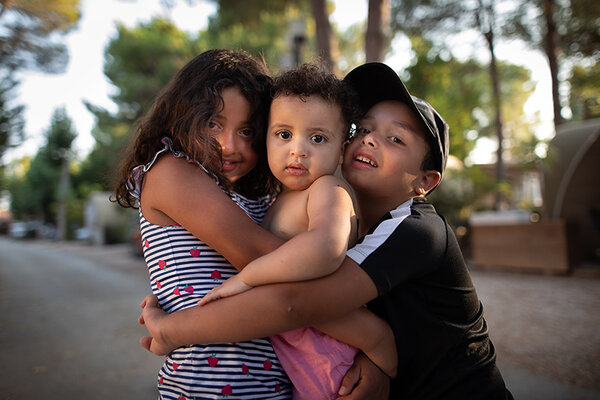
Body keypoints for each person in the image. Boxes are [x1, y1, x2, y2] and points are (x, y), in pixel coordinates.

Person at [137, 62, 512, 399]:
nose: (368, 139)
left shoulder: (418, 231)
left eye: (395, 138)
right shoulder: (336, 212)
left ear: (426, 181)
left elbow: (295, 302)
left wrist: (172, 330)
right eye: (363, 128)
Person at [198, 64, 397, 399]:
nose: (298, 149)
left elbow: (325, 248)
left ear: (342, 149)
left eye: (317, 138)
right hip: (299, 355)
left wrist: (248, 277)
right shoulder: (280, 198)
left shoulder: (328, 190)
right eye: (284, 134)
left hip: (329, 355)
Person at [114, 49, 293, 399]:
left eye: (247, 131)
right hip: (211, 388)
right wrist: (371, 335)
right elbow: (270, 260)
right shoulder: (169, 171)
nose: (230, 146)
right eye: (213, 123)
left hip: (279, 384)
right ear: (182, 116)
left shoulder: (252, 196)